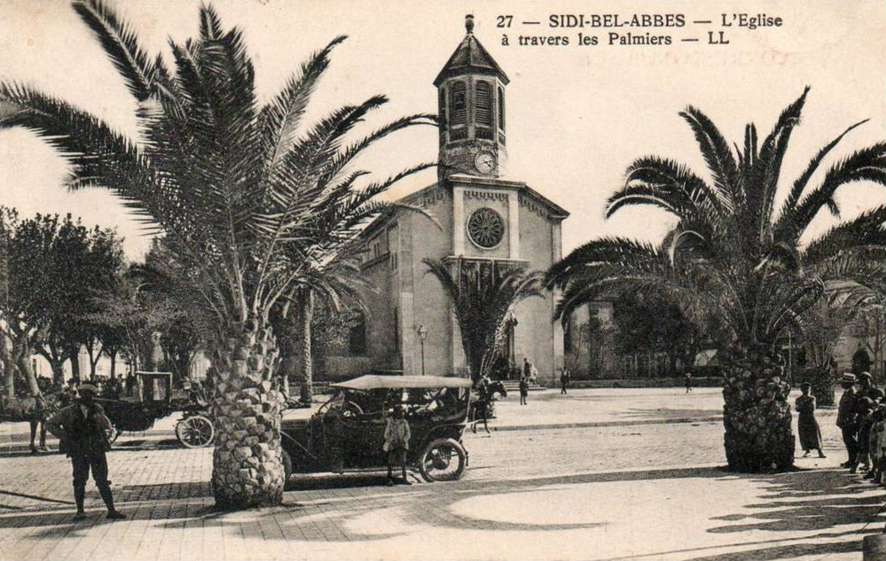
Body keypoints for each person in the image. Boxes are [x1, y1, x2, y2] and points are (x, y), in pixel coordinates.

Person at [45, 383, 126, 521]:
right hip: (79, 450)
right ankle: (80, 511)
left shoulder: (97, 409)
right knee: (79, 480)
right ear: (80, 395)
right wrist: (66, 436)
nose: (88, 397)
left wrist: (106, 435)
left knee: (102, 480)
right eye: (85, 394)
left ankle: (111, 510)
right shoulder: (68, 411)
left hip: (96, 449)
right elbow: (50, 424)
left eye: (91, 395)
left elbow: (106, 425)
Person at [795, 382, 825, 459]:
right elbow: (797, 409)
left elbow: (812, 408)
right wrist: (805, 406)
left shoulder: (812, 398)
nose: (807, 391)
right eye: (805, 389)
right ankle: (807, 450)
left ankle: (819, 451)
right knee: (804, 434)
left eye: (808, 389)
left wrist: (803, 406)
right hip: (803, 418)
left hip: (810, 417)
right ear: (802, 390)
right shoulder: (798, 399)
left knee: (815, 434)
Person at [383, 404, 411, 486]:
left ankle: (405, 478)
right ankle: (389, 479)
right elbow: (386, 434)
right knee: (390, 462)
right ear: (395, 413)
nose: (402, 414)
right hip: (393, 444)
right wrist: (391, 441)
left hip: (402, 444)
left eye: (402, 412)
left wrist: (404, 440)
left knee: (403, 462)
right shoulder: (391, 422)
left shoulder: (404, 422)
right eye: (400, 412)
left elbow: (408, 433)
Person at [836, 373, 859, 470]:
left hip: (849, 422)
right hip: (844, 421)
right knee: (847, 441)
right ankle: (851, 460)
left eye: (844, 383)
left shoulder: (852, 394)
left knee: (851, 441)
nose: (841, 384)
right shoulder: (847, 392)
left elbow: (852, 409)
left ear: (849, 384)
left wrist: (848, 420)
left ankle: (853, 461)